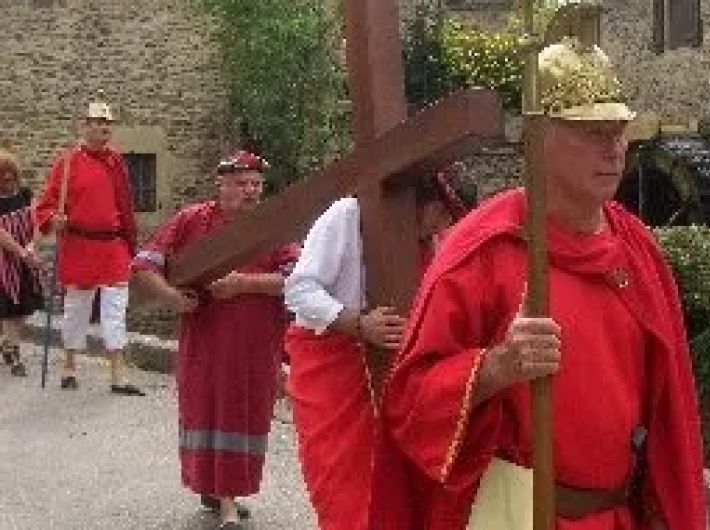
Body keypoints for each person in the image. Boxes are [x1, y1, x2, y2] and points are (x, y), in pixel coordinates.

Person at [380, 39, 706, 530]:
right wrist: (495, 367)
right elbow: (409, 404)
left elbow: (670, 410)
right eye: (592, 132)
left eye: (618, 131)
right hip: (521, 517)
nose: (614, 149)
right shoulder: (483, 252)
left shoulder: (637, 247)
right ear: (539, 139)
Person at [283, 168, 477, 530]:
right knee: (342, 486)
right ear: (415, 202)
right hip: (332, 372)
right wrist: (358, 323)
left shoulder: (430, 242)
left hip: (394, 375)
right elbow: (299, 289)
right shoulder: (348, 215)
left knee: (395, 487)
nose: (441, 227)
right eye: (440, 214)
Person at [130, 150, 299, 530]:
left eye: (256, 184)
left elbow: (298, 279)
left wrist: (245, 284)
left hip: (255, 345)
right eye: (242, 183)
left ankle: (228, 495)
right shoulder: (192, 221)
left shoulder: (271, 225)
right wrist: (171, 297)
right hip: (206, 342)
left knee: (243, 415)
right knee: (206, 411)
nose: (251, 191)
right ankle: (220, 494)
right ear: (221, 184)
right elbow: (144, 263)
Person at [35, 93, 141, 394]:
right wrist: (52, 219)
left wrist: (130, 240)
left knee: (115, 310)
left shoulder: (116, 162)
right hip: (80, 246)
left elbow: (126, 203)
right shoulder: (67, 163)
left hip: (113, 247)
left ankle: (117, 373)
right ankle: (69, 365)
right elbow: (46, 205)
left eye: (108, 124)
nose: (104, 128)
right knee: (76, 310)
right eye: (98, 123)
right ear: (85, 126)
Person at [0, 149, 44, 376]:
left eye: (10, 175)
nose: (7, 180)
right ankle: (15, 355)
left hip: (26, 258)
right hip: (4, 264)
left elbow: (37, 223)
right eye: (2, 176)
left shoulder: (26, 195)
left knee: (26, 308)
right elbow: (1, 234)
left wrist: (32, 247)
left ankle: (6, 343)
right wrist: (20, 251)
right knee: (9, 310)